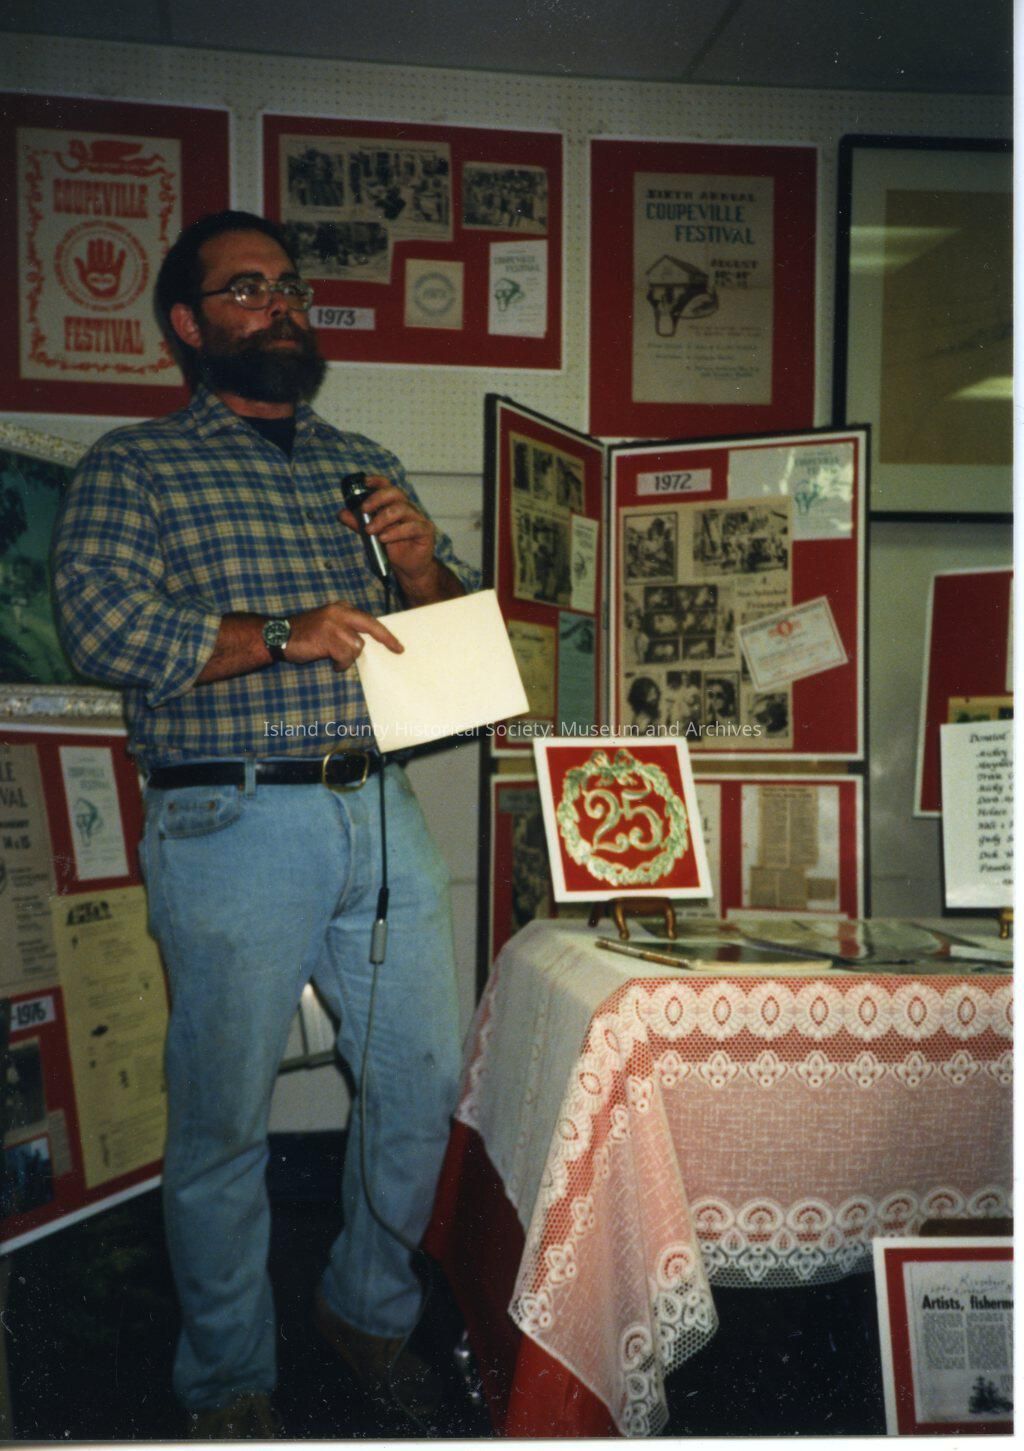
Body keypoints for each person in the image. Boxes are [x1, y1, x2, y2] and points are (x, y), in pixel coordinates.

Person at [52, 210, 480, 1439]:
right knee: (225, 1116)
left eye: (289, 285)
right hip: (230, 814)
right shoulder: (134, 465)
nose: (282, 303)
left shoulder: (366, 459)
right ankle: (230, 1377)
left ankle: (367, 1311)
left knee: (421, 1083)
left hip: (378, 806)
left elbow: (444, 639)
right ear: (189, 326)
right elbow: (101, 625)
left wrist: (422, 570)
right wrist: (287, 633)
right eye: (247, 288)